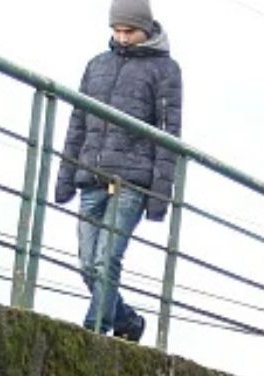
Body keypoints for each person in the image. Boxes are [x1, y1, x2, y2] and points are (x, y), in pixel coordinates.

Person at [54, 0, 183, 344]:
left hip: (132, 181)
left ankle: (92, 333)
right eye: (117, 30)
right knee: (87, 264)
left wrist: (159, 197)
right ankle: (128, 321)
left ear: (146, 29)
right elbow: (77, 124)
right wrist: (65, 178)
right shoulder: (96, 65)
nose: (123, 37)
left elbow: (169, 134)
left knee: (106, 260)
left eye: (130, 31)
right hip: (90, 176)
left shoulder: (166, 70)